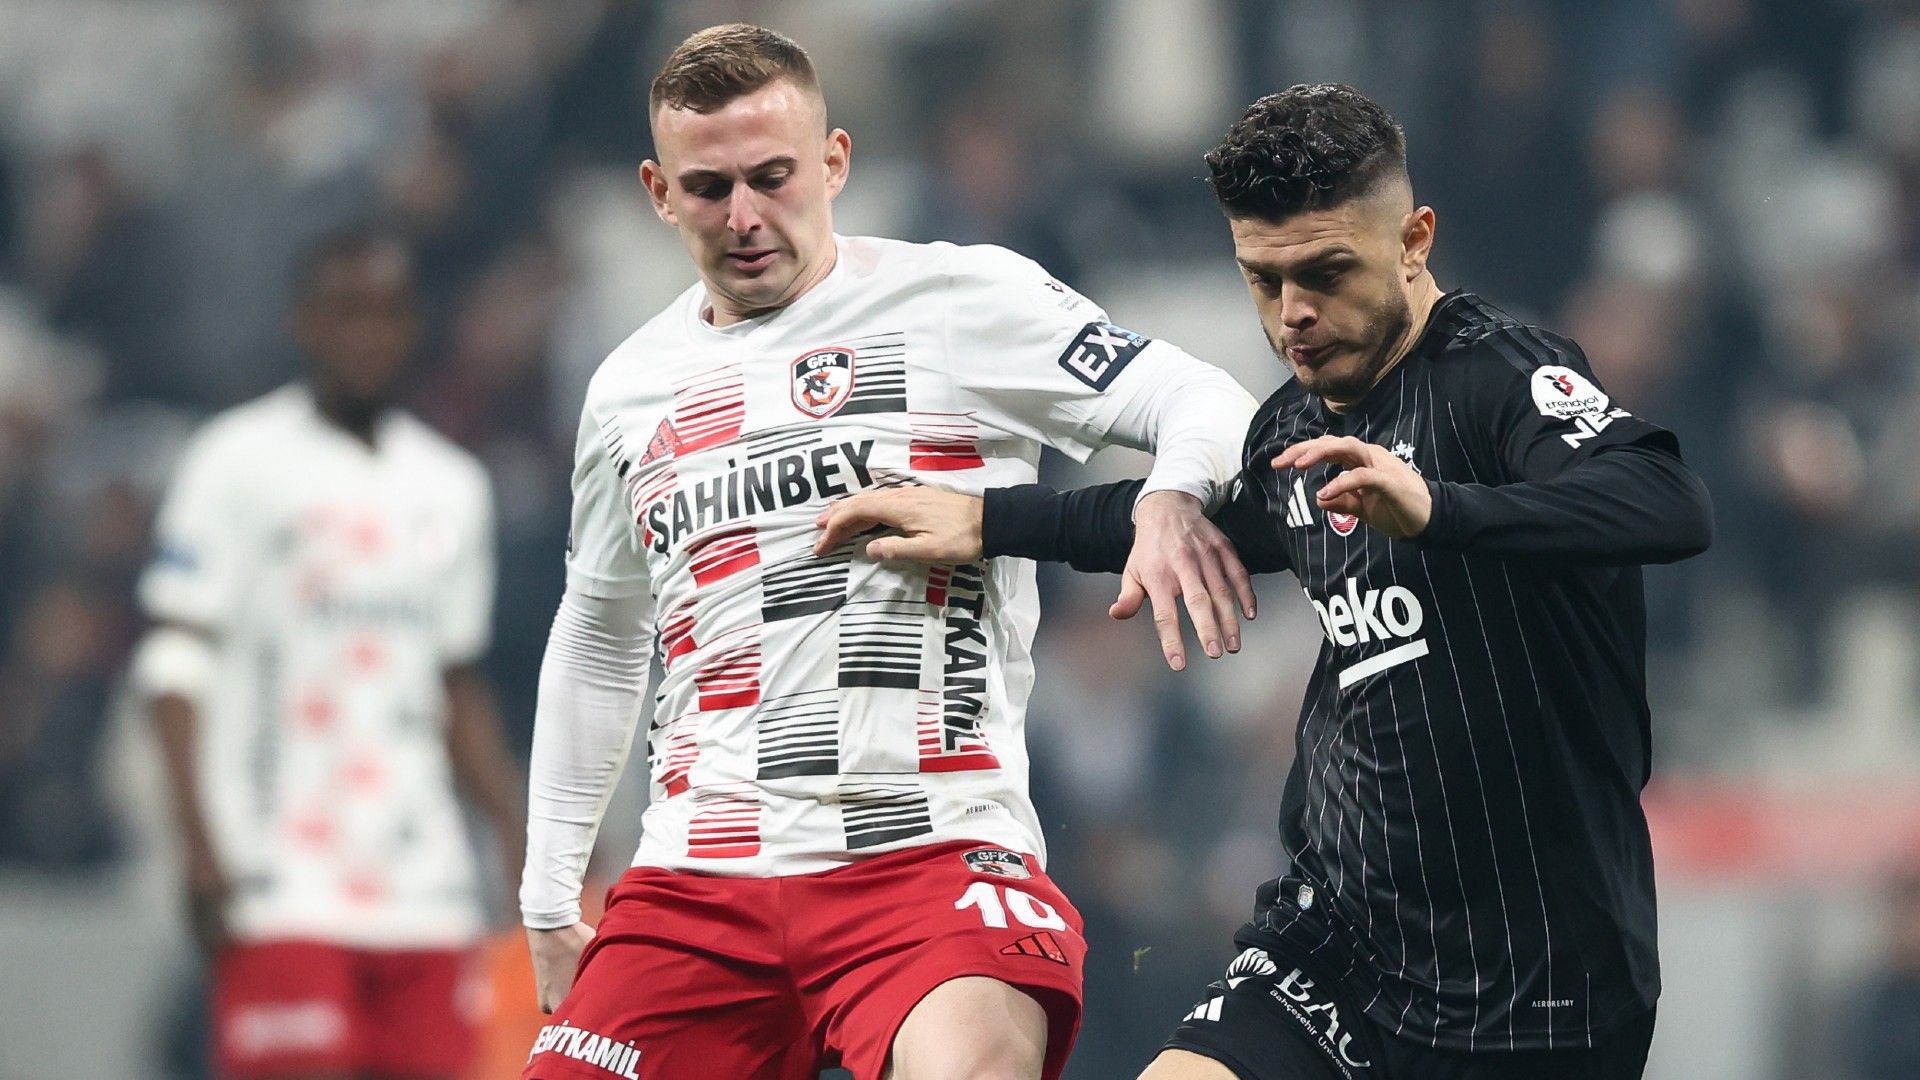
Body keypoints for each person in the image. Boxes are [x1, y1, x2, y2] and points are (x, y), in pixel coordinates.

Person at [815, 84, 1713, 1079]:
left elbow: (1665, 500)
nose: (1296, 315)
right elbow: (1183, 525)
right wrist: (986, 520)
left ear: (1414, 238)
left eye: (1326, 272)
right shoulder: (1293, 427)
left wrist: (1444, 510)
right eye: (1264, 279)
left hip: (1539, 981)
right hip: (1340, 944)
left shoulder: (1501, 375)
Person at [515, 22, 1257, 1080]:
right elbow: (598, 632)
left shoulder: (959, 302)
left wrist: (1170, 498)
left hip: (929, 860)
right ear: (655, 191)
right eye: (708, 187)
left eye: (773, 177)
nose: (744, 215)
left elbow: (1203, 398)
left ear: (835, 163)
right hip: (697, 883)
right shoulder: (629, 388)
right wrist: (550, 894)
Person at [132, 228, 525, 1080]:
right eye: (345, 312)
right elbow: (172, 663)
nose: (367, 335)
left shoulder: (452, 485)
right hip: (279, 875)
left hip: (425, 884)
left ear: (414, 325)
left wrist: (518, 835)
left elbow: (456, 680)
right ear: (303, 322)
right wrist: (198, 845)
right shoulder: (234, 461)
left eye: (386, 314)